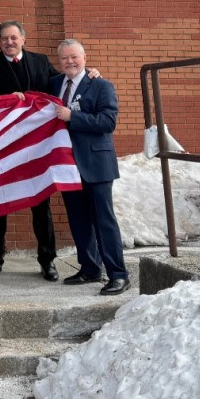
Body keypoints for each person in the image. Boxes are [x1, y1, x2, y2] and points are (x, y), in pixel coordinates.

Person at [0, 20, 63, 281]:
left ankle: (47, 261)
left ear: (23, 38)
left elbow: (63, 84)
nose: (9, 43)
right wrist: (4, 101)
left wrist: (89, 74)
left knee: (40, 204)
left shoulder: (41, 62)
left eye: (13, 38)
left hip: (35, 147)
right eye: (4, 39)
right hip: (2, 147)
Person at [49, 38, 129, 295]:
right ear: (58, 61)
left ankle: (118, 274)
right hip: (68, 166)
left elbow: (107, 122)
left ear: (84, 58)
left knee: (104, 221)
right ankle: (90, 268)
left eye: (74, 57)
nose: (70, 62)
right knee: (79, 220)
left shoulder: (101, 85)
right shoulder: (53, 84)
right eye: (64, 58)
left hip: (96, 164)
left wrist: (73, 117)